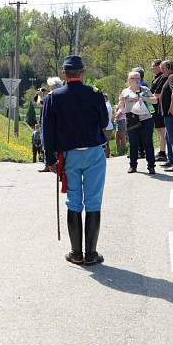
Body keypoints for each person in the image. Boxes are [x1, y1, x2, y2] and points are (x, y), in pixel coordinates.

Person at [42, 56, 108, 265]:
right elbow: (105, 122)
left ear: (64, 73)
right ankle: (91, 254)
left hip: (69, 155)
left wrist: (50, 158)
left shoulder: (54, 97)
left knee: (74, 200)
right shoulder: (95, 94)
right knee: (93, 200)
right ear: (83, 72)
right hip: (94, 153)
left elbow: (47, 131)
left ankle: (76, 253)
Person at [117, 71, 157, 174]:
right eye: (133, 78)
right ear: (129, 80)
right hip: (132, 120)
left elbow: (155, 100)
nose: (136, 80)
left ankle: (151, 166)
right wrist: (119, 112)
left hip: (146, 119)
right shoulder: (125, 92)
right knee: (133, 143)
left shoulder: (145, 89)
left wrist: (143, 97)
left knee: (147, 142)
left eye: (138, 78)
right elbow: (121, 105)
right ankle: (133, 165)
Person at [149, 59, 168, 162]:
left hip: (160, 107)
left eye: (153, 66)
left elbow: (157, 94)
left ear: (158, 66)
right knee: (160, 129)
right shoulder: (157, 77)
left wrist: (146, 97)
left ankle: (163, 152)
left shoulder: (162, 77)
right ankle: (162, 150)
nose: (151, 68)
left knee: (162, 130)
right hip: (156, 107)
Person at [102, 94, 114, 158]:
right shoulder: (108, 105)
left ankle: (106, 156)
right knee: (107, 142)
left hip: (106, 127)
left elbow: (105, 117)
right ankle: (107, 155)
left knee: (105, 142)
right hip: (108, 126)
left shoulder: (106, 106)